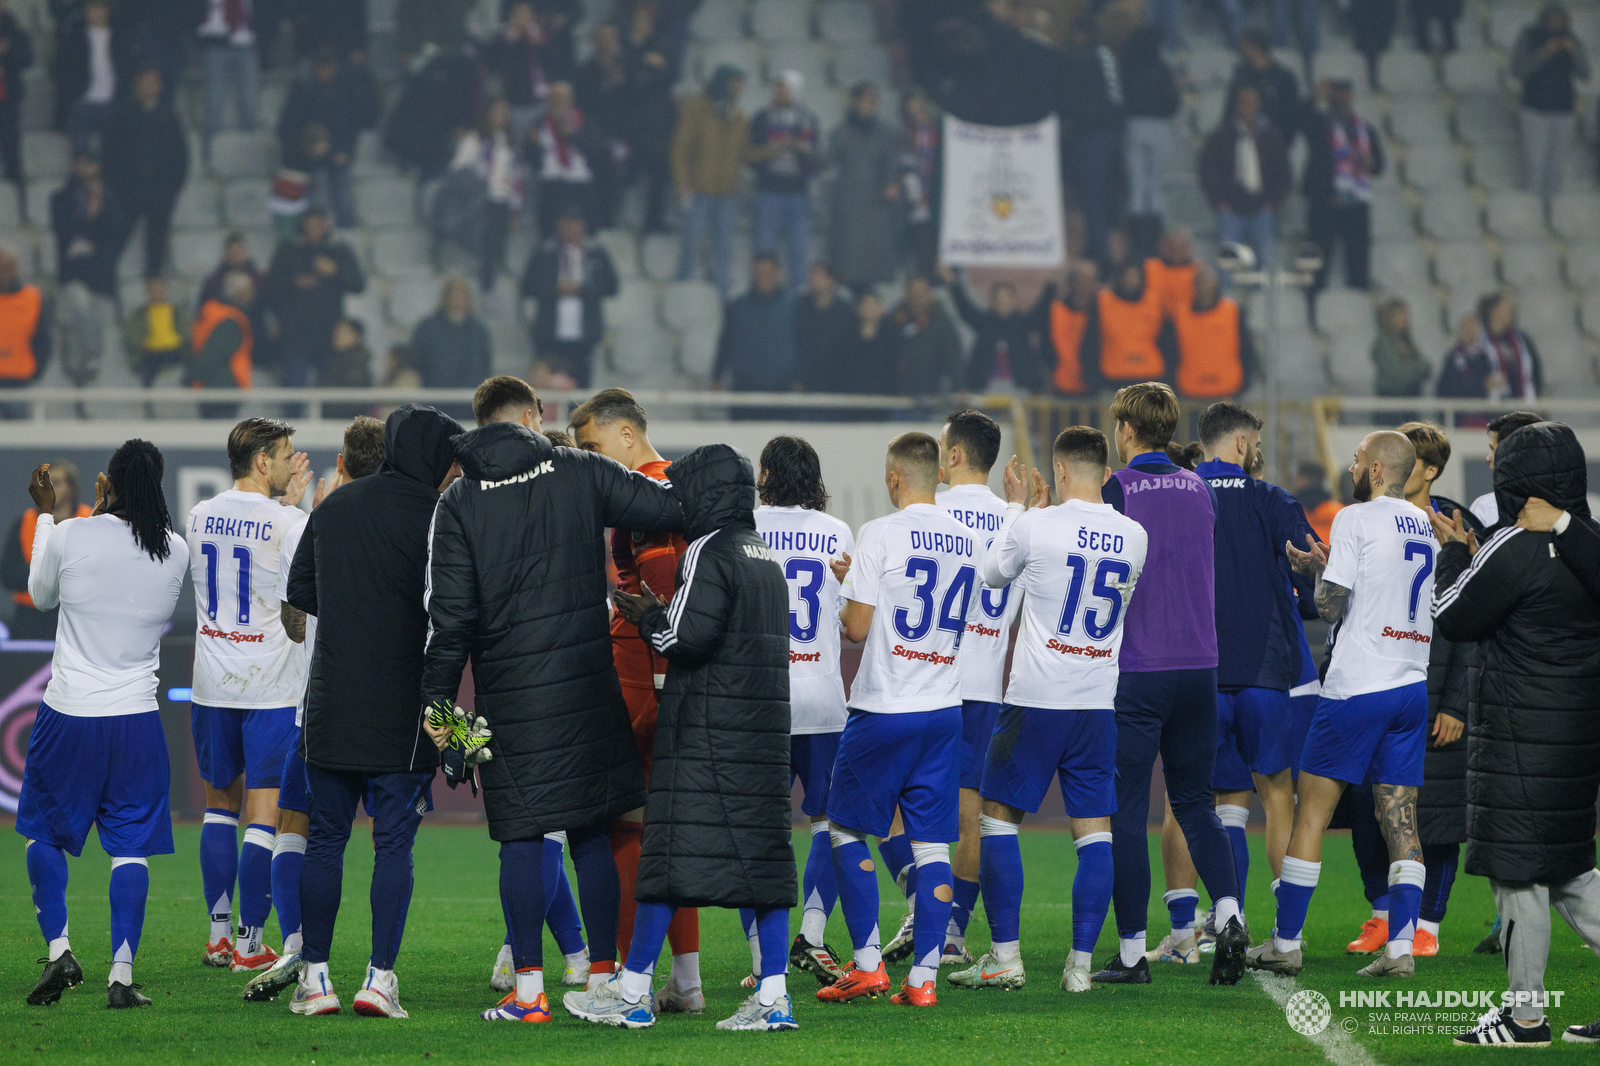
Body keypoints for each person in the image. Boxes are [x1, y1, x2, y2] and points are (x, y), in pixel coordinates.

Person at [421, 377, 687, 1025]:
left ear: (478, 425)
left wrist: (436, 701)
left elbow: (449, 617)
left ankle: (531, 993)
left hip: (510, 694)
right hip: (590, 682)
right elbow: (669, 507)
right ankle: (601, 979)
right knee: (592, 831)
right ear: (536, 418)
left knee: (522, 836)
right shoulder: (579, 467)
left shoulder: (458, 500)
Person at [567, 444, 799, 1032]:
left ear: (707, 492)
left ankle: (635, 990)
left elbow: (684, 641)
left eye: (685, 488)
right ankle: (773, 996)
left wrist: (647, 616)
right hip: (763, 734)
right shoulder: (763, 555)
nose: (677, 498)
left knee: (667, 856)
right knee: (763, 865)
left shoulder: (706, 550)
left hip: (705, 734)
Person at [948, 428, 1147, 993]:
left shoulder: (1036, 526)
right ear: (1105, 474)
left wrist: (1018, 509)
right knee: (1095, 835)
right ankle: (1080, 967)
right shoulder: (1135, 536)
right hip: (1097, 705)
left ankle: (1006, 957)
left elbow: (989, 576)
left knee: (996, 819)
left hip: (1035, 700)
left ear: (1058, 472)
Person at [282, 404, 463, 1019]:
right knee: (393, 849)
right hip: (403, 713)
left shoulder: (336, 504)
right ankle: (378, 981)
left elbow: (298, 599)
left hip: (332, 704)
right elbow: (455, 613)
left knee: (325, 842)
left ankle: (315, 980)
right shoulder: (440, 517)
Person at [1430, 420, 1600, 1047]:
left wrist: (1454, 554)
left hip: (1518, 740)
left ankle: (1524, 1017)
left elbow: (1453, 617)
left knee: (1521, 875)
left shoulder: (1513, 547)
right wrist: (1558, 525)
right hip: (1575, 739)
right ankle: (1523, 1014)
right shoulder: (1588, 543)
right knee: (1570, 875)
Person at [1252, 430, 1434, 979]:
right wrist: (1338, 569)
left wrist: (1314, 572)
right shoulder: (1421, 522)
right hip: (1410, 685)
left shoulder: (1356, 518)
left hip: (1358, 686)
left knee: (1311, 811)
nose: (1350, 468)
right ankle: (1401, 949)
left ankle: (1286, 944)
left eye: (1357, 460)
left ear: (1377, 469)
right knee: (1401, 821)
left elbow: (1330, 608)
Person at [17, 443, 188, 1009]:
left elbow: (41, 596)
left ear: (106, 483)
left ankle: (61, 948)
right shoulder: (176, 551)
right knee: (131, 846)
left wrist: (48, 515)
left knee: (43, 831)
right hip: (136, 719)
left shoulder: (72, 532)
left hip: (69, 713)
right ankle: (121, 974)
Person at [1142, 404, 1314, 964]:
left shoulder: (1183, 496)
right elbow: (1312, 575)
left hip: (1198, 669)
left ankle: (1187, 935)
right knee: (1276, 798)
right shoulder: (1273, 500)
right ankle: (1286, 936)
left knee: (1185, 800)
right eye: (1255, 442)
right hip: (1265, 674)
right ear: (1241, 443)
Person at [815, 432, 977, 1007]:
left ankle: (866, 966)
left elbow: (856, 628)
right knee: (933, 849)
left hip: (885, 707)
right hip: (943, 711)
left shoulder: (879, 533)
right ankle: (923, 982)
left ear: (893, 478)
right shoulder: (965, 538)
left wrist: (843, 589)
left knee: (843, 828)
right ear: (937, 476)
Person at [1092, 382, 1247, 987]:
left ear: (1126, 432)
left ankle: (1131, 955)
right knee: (1195, 805)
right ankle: (1229, 916)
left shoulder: (1118, 489)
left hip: (1139, 668)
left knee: (1127, 813)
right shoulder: (1200, 489)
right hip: (1199, 669)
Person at [242, 414, 386, 1004]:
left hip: (320, 712)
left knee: (301, 832)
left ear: (343, 467)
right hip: (390, 715)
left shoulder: (315, 527)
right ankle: (381, 976)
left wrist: (307, 519)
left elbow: (295, 625)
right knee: (393, 843)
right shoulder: (407, 524)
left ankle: (305, 955)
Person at [568, 389, 701, 1012]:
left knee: (623, 823)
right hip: (665, 673)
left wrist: (658, 680)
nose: (589, 460)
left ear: (626, 434)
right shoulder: (676, 483)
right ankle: (688, 981)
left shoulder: (643, 493)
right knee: (671, 829)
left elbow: (662, 591)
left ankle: (629, 983)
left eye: (593, 446)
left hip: (641, 672)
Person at [1341, 421, 1479, 958]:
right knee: (1365, 805)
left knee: (1435, 812)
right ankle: (1381, 912)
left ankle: (1427, 925)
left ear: (1429, 471)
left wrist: (1455, 704)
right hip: (1375, 681)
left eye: (1413, 458)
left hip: (1432, 691)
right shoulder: (1373, 521)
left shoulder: (1456, 529)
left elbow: (1470, 621)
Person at [185, 418, 312, 973]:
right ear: (262, 461)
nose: (291, 462)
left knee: (219, 807)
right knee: (264, 813)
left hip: (212, 682)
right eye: (284, 454)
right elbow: (300, 610)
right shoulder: (289, 523)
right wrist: (304, 513)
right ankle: (248, 941)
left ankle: (216, 933)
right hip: (270, 687)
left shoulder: (197, 515)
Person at [914, 411, 1021, 969]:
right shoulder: (1017, 520)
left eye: (939, 446)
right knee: (972, 811)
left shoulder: (928, 509)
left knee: (893, 796)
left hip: (927, 677)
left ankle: (919, 908)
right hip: (987, 684)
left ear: (954, 455)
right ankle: (952, 933)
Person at [750, 436, 853, 986]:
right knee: (829, 825)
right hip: (822, 699)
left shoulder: (746, 525)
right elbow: (849, 620)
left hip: (760, 702)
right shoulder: (836, 533)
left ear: (764, 473)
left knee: (753, 828)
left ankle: (760, 959)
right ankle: (812, 937)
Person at [264, 208, 366, 388]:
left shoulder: (338, 251)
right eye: (309, 224)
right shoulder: (288, 252)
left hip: (329, 337)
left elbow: (358, 284)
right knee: (294, 392)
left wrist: (335, 271)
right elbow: (270, 287)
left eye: (318, 224)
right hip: (295, 337)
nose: (314, 229)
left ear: (326, 225)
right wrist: (294, 283)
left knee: (330, 393)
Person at [1200, 85, 1293, 276]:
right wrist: (1219, 201)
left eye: (1251, 102)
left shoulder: (1271, 137)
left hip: (1262, 210)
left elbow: (1284, 173)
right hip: (1230, 210)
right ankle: (1226, 302)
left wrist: (1272, 202)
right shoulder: (1221, 135)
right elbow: (1207, 170)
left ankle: (1263, 304)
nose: (1247, 107)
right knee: (1225, 264)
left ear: (1258, 105)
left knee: (1266, 265)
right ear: (1236, 105)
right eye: (1243, 103)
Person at [1305, 80, 1384, 301]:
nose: (1343, 101)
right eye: (1338, 96)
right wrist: (1314, 99)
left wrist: (1371, 162)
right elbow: (1302, 123)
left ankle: (1359, 305)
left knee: (1359, 259)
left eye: (1346, 96)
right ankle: (1313, 305)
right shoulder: (1321, 125)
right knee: (1318, 259)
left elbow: (1379, 165)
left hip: (1356, 205)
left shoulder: (1364, 129)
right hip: (1326, 204)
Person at [521, 210, 619, 388]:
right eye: (567, 223)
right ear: (559, 225)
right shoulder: (545, 252)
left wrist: (581, 289)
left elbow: (611, 286)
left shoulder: (595, 253)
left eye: (575, 223)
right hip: (549, 334)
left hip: (584, 336)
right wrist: (554, 289)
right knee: (545, 390)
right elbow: (528, 285)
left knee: (580, 392)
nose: (571, 228)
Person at [673, 65, 748, 296]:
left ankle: (721, 296)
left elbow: (745, 151)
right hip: (699, 189)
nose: (738, 88)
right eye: (734, 82)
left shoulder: (738, 116)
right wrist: (683, 183)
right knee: (691, 244)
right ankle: (681, 289)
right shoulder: (698, 108)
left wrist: (773, 149)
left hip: (727, 191)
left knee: (724, 248)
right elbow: (679, 148)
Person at [277, 46, 367, 228]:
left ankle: (347, 234)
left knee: (342, 195)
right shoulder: (302, 89)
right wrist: (306, 145)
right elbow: (287, 126)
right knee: (308, 198)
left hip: (338, 151)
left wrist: (343, 150)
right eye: (321, 67)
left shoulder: (345, 90)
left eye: (329, 67)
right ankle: (307, 232)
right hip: (305, 154)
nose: (325, 72)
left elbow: (351, 124)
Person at [1062, 16, 1126, 267]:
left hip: (1092, 135)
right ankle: (1097, 243)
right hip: (1113, 132)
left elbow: (1074, 98)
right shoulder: (1107, 56)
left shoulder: (1083, 58)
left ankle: (1102, 253)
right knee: (1105, 192)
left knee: (1092, 194)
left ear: (1081, 34)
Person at [1512, 3, 1590, 206]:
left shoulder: (1571, 39)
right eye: (1552, 18)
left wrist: (1574, 52)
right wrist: (1543, 53)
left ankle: (1553, 210)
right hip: (1535, 110)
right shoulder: (1529, 36)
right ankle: (1532, 209)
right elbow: (1518, 69)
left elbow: (1585, 73)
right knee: (1535, 164)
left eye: (1560, 19)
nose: (1556, 23)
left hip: (1564, 110)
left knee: (1557, 166)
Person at [1, 462, 89, 639]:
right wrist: (49, 573)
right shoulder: (25, 521)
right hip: (30, 620)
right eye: (45, 483)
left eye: (55, 482)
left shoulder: (89, 519)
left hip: (76, 616)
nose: (49, 488)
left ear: (70, 487)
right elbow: (9, 573)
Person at [828, 84, 903, 292]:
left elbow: (892, 164)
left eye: (872, 102)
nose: (868, 106)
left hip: (877, 206)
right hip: (849, 202)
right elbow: (828, 160)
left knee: (875, 261)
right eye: (863, 101)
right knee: (850, 259)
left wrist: (892, 183)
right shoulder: (841, 132)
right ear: (855, 103)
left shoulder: (886, 133)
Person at [748, 71, 820, 285]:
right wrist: (771, 150)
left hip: (798, 193)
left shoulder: (809, 119)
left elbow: (817, 160)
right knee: (764, 249)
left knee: (798, 252)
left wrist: (804, 150)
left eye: (784, 88)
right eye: (778, 87)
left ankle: (796, 300)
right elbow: (750, 154)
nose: (779, 92)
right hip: (768, 191)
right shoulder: (762, 117)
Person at [449, 98, 524, 299]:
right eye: (498, 112)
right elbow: (459, 168)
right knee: (485, 243)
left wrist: (515, 207)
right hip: (482, 198)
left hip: (502, 198)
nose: (501, 117)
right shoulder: (474, 139)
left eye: (504, 113)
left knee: (497, 242)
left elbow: (514, 174)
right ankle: (483, 287)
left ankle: (491, 283)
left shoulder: (507, 141)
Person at [1119, 23, 1181, 257]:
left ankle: (1136, 242)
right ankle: (1154, 241)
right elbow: (1174, 101)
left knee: (1137, 184)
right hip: (1159, 126)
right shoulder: (1162, 68)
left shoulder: (1129, 66)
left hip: (1134, 125)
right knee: (1155, 185)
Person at [944, 267, 1050, 394]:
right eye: (998, 298)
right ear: (992, 301)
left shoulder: (1023, 324)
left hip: (1019, 389)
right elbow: (965, 308)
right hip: (985, 388)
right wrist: (953, 284)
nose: (1002, 301)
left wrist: (1051, 287)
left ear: (1014, 300)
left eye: (1006, 297)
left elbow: (1040, 312)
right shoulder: (984, 323)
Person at [1436, 293, 1544, 402]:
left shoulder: (1522, 340)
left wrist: (1538, 392)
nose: (1510, 312)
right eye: (1506, 309)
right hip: (1490, 407)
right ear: (1494, 311)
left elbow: (1535, 369)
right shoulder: (1480, 342)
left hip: (1523, 402)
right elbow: (1462, 378)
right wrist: (1483, 384)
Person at [530, 81, 604, 238]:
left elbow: (596, 149)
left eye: (562, 98)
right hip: (552, 180)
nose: (558, 102)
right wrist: (534, 145)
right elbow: (531, 156)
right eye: (554, 98)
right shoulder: (541, 122)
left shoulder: (584, 120)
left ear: (570, 100)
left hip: (579, 179)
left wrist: (573, 135)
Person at [1083, 261, 1171, 391]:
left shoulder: (1155, 302)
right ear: (1119, 277)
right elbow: (1091, 342)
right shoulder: (1103, 302)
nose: (1131, 281)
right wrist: (1094, 380)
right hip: (1112, 380)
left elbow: (1167, 343)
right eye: (1127, 276)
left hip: (1150, 377)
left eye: (1135, 276)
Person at [714, 255, 796, 392]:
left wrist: (800, 378)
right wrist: (716, 376)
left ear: (777, 274)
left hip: (783, 390)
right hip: (745, 388)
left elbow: (804, 345)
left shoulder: (793, 307)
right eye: (758, 273)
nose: (762, 278)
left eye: (767, 273)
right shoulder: (738, 307)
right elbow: (726, 342)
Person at [1172, 265, 1255, 399]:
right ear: (1193, 285)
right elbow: (1171, 351)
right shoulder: (1179, 315)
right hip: (1190, 392)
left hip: (1228, 391)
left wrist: (1244, 384)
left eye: (1208, 280)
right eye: (1200, 281)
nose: (1204, 285)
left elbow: (1246, 349)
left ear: (1217, 283)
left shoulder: (1233, 311)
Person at [55, 0, 129, 151]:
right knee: (81, 152)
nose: (97, 12)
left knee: (115, 152)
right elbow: (63, 69)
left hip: (113, 102)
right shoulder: (73, 36)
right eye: (92, 8)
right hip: (83, 102)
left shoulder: (120, 36)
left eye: (101, 8)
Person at [186, 272, 255, 419]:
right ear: (238, 292)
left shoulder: (215, 314)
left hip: (212, 387)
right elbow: (213, 355)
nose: (252, 294)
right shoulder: (229, 320)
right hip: (222, 389)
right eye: (248, 290)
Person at [1226, 27, 1305, 151]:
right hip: (1243, 149)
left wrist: (1280, 146)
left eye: (1245, 46)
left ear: (1255, 47)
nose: (1241, 51)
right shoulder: (1240, 77)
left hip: (1274, 150)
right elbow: (1229, 114)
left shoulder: (1284, 78)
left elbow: (1292, 117)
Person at [412, 278, 493, 389]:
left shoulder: (479, 331)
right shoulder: (427, 328)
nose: (458, 299)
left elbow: (485, 364)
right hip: (434, 395)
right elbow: (416, 360)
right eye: (454, 294)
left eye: (462, 294)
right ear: (446, 297)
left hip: (468, 398)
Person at [1468, 410, 1544, 527]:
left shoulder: (1560, 511)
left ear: (1512, 454)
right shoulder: (1483, 509)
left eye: (1493, 449)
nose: (1488, 458)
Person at [198, 0, 260, 139]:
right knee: (214, 97)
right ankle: (210, 143)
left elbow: (263, 13)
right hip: (215, 45)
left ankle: (251, 140)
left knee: (249, 96)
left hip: (246, 44)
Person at [891, 275, 961, 396]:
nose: (918, 296)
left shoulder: (941, 321)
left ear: (930, 293)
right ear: (906, 294)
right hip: (898, 392)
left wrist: (959, 385)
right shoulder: (895, 320)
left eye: (922, 291)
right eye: (914, 291)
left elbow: (952, 354)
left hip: (932, 391)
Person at [0, 245, 51, 407]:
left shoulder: (31, 298)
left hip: (20, 382)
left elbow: (43, 340)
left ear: (15, 269)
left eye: (6, 268)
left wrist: (36, 372)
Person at [794, 261, 854, 392]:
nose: (813, 279)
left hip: (837, 384)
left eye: (819, 275)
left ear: (832, 280)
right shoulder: (799, 308)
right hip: (806, 385)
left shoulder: (846, 313)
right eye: (811, 274)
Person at [899, 93, 941, 278]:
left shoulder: (941, 133)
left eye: (920, 109)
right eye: (912, 111)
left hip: (939, 199)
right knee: (922, 252)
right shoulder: (906, 137)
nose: (917, 114)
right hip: (918, 204)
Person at [122, 275, 189, 387]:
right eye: (153, 290)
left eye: (160, 290)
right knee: (148, 371)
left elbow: (186, 330)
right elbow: (130, 335)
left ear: (166, 290)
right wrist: (143, 343)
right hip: (151, 353)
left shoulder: (177, 310)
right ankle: (148, 400)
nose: (157, 293)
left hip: (174, 351)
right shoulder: (139, 314)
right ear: (147, 292)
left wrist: (180, 339)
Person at [0, 1, 33, 216]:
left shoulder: (14, 28)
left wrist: (7, 51)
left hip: (7, 99)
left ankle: (20, 211)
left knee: (13, 152)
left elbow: (27, 59)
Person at [1048, 261, 1098, 396]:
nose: (1084, 287)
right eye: (1080, 280)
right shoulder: (1056, 309)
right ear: (1071, 283)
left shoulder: (1102, 311)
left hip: (1092, 387)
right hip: (1060, 386)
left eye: (1089, 281)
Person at [1372, 298, 1431, 398]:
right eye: (1400, 314)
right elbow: (1399, 373)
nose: (1405, 318)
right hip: (1392, 401)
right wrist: (1415, 370)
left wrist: (1413, 368)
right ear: (1389, 317)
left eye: (1406, 314)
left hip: (1411, 398)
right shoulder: (1383, 342)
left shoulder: (1407, 341)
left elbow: (1426, 367)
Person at [1293, 460, 1344, 543]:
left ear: (1304, 480)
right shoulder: (1338, 512)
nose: (1295, 482)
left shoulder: (1293, 512)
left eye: (1298, 478)